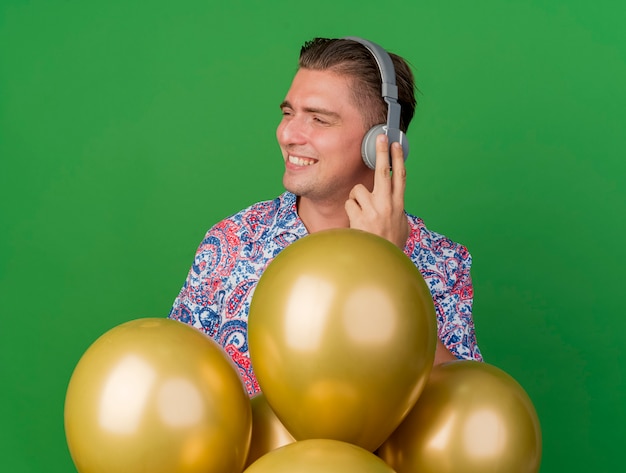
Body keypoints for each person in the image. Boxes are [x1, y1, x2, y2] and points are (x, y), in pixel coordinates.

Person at [168, 37, 482, 396]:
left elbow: (460, 402)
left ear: (380, 140)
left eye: (319, 119)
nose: (288, 134)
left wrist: (386, 268)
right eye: (288, 113)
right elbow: (176, 384)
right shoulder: (232, 243)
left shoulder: (442, 262)